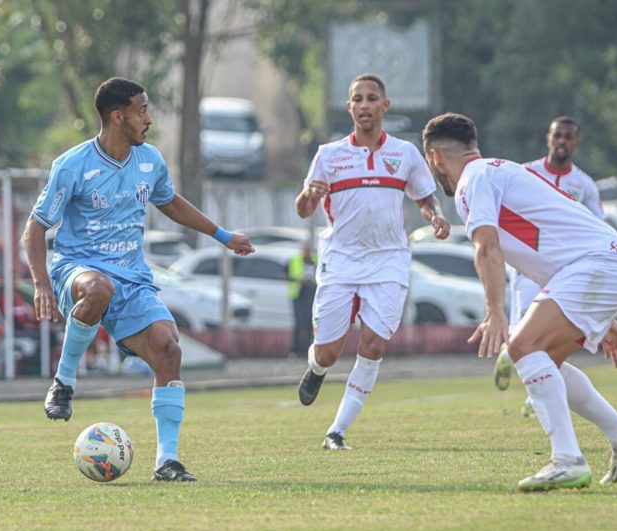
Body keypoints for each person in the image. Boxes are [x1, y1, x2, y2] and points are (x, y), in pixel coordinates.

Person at [22, 77, 254, 482]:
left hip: (133, 279)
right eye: (142, 110)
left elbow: (170, 203)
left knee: (169, 349)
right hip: (77, 269)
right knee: (98, 289)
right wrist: (42, 284)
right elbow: (35, 228)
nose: (148, 119)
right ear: (118, 116)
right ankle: (64, 381)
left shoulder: (150, 161)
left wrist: (221, 235)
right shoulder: (72, 165)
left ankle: (167, 462)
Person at [421, 111, 617, 491]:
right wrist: (605, 314)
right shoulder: (504, 170)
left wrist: (495, 312)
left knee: (522, 345)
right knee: (542, 358)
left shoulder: (472, 181)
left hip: (597, 266)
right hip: (605, 264)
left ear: (434, 157)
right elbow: (547, 249)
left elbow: (486, 247)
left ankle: (567, 460)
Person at [295, 73, 450, 451]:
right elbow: (303, 209)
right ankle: (317, 368)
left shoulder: (405, 153)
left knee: (374, 346)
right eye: (357, 99)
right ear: (349, 107)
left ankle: (337, 432)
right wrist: (308, 194)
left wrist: (436, 216)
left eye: (371, 99)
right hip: (341, 260)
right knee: (329, 351)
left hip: (388, 261)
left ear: (385, 106)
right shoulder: (329, 155)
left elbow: (424, 197)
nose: (364, 105)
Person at [494, 117, 606, 419]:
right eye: (558, 135)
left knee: (549, 335)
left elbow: (597, 224)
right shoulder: (527, 172)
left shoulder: (583, 184)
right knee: (525, 334)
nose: (562, 142)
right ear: (548, 138)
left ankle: (536, 392)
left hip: (564, 267)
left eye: (569, 137)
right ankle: (515, 360)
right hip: (528, 265)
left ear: (576, 142)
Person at [287, 242, 317, 359]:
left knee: (311, 322)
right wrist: (300, 280)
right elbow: (285, 275)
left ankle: (308, 349)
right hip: (298, 295)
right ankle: (296, 350)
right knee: (299, 323)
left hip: (312, 295)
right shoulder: (295, 260)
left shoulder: (316, 260)